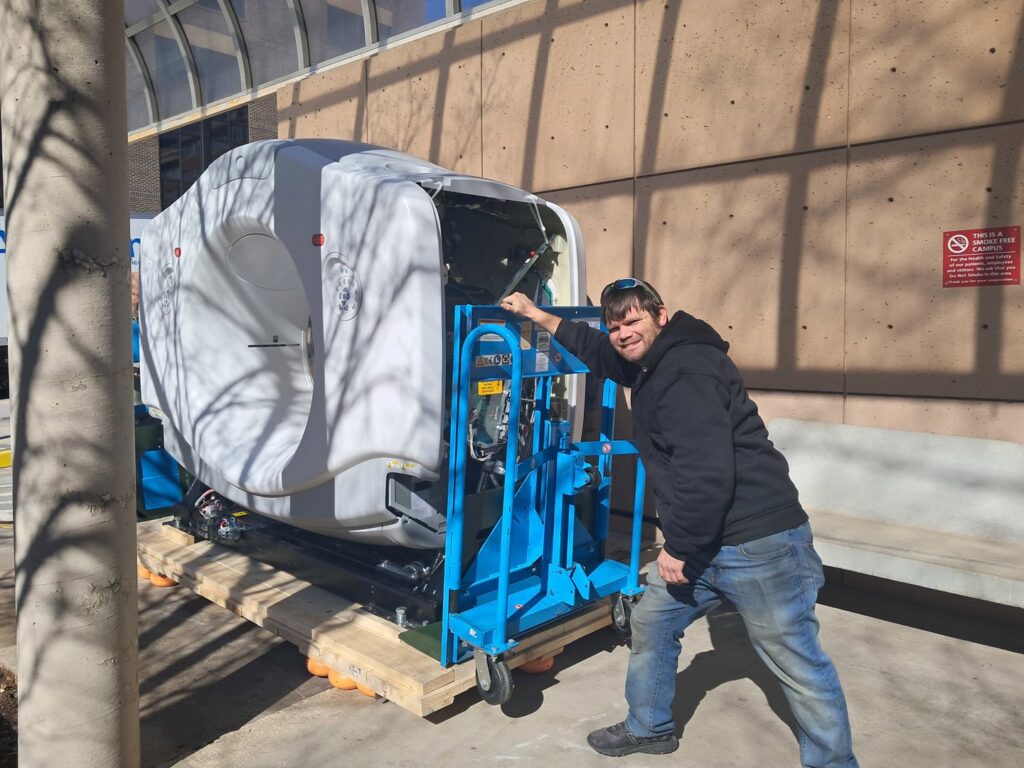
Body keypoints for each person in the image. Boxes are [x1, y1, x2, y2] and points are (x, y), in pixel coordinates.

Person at [499, 279, 858, 767]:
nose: (623, 334)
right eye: (615, 326)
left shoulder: (685, 371)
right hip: (710, 539)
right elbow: (600, 353)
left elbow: (707, 473)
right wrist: (536, 315)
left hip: (759, 543)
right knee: (652, 621)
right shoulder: (654, 360)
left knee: (797, 662)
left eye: (632, 321)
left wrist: (680, 548)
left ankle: (834, 763)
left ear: (660, 315)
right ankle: (651, 729)